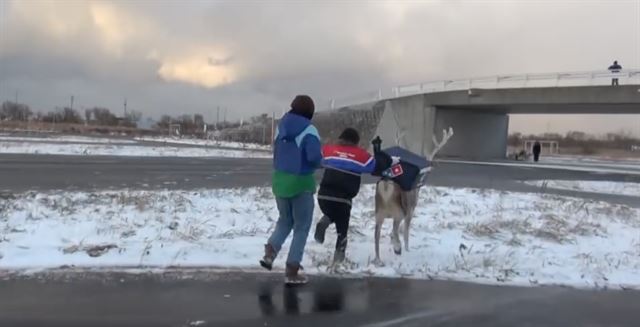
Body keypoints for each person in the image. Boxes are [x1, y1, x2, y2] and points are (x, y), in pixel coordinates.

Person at [260, 95, 322, 285]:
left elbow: (276, 152)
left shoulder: (280, 127)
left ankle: (270, 252)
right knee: (301, 227)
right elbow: (313, 157)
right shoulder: (310, 130)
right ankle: (292, 270)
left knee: (285, 221)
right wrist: (321, 161)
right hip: (301, 183)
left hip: (280, 181)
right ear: (310, 111)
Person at [314, 128, 395, 265]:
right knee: (342, 230)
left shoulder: (328, 150)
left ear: (340, 138)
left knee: (331, 212)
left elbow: (316, 161)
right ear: (356, 142)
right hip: (344, 198)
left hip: (323, 196)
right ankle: (338, 260)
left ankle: (326, 220)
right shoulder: (361, 156)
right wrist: (378, 150)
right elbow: (378, 167)